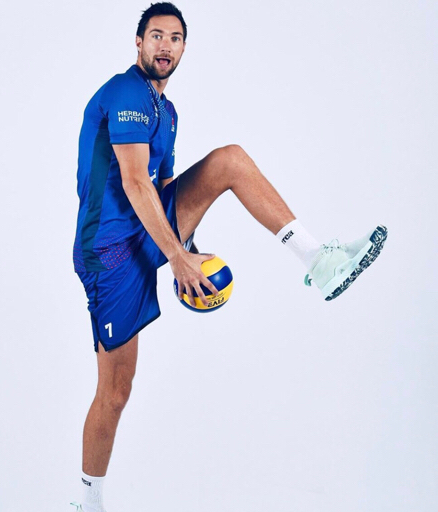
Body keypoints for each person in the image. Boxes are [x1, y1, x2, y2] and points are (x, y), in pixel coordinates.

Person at [70, 3, 387, 511]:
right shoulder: (126, 92)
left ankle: (318, 261)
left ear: (184, 48)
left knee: (229, 161)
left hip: (148, 230)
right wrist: (177, 257)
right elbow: (134, 182)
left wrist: (190, 252)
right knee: (116, 391)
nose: (166, 46)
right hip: (108, 251)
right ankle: (87, 502)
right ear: (138, 42)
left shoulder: (167, 112)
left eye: (175, 38)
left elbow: (165, 189)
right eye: (156, 35)